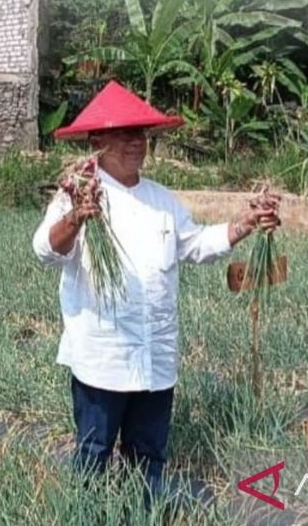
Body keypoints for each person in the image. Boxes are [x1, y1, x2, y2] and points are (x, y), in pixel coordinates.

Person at [32, 81, 280, 501]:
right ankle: (88, 514)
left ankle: (141, 513)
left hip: (155, 356)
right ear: (97, 142)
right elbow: (44, 251)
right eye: (124, 134)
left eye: (141, 134)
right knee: (93, 452)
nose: (136, 143)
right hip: (102, 357)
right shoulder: (78, 193)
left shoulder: (161, 200)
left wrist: (244, 224)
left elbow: (196, 245)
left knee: (147, 455)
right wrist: (76, 216)